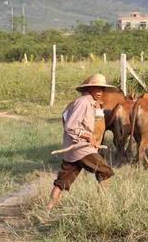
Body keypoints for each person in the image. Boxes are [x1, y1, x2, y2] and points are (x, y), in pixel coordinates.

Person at [47, 74, 116, 211]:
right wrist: (88, 137)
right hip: (81, 149)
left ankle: (47, 210)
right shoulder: (84, 102)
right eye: (96, 88)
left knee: (61, 182)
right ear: (89, 89)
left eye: (101, 89)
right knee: (106, 171)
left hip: (72, 151)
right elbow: (70, 126)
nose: (99, 92)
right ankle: (104, 206)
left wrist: (92, 139)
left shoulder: (89, 103)